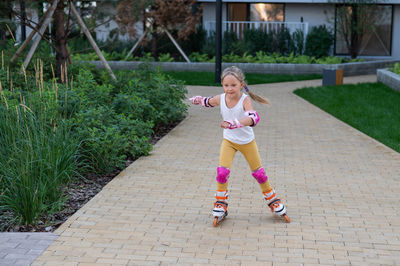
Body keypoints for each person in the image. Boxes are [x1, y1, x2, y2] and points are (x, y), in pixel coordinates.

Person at [190, 66, 290, 224]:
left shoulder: (245, 100)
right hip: (229, 142)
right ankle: (221, 203)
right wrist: (198, 100)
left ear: (241, 85)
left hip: (246, 142)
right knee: (222, 173)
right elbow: (208, 102)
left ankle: (273, 200)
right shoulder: (221, 98)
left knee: (259, 174)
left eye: (233, 85)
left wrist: (234, 123)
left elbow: (253, 118)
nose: (229, 89)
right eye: (226, 85)